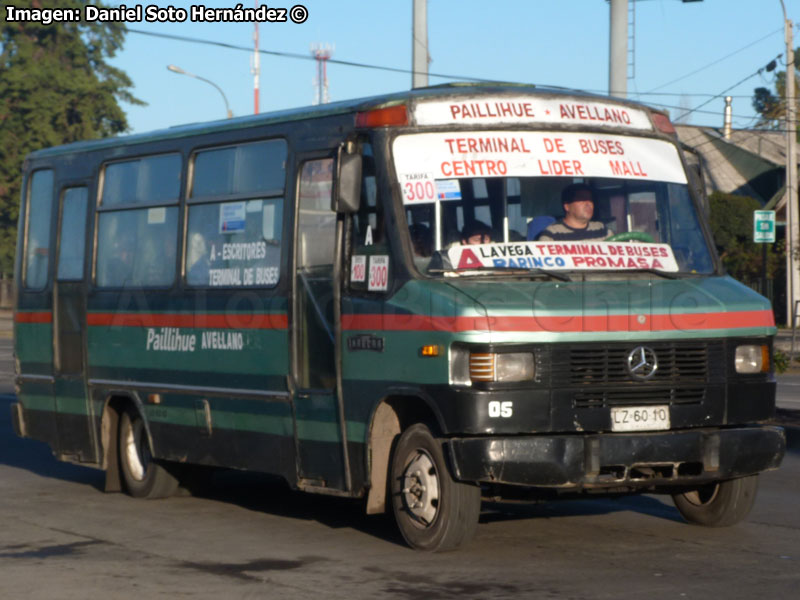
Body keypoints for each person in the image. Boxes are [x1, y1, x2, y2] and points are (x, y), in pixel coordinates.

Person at [537, 183, 609, 241]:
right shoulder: (552, 234)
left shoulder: (601, 229)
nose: (588, 203)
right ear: (567, 206)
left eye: (590, 199)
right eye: (582, 199)